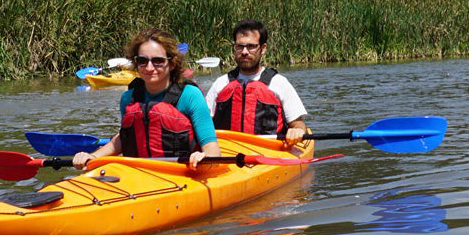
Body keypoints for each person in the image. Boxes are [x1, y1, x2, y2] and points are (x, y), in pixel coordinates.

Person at [72, 28, 221, 170]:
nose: (149, 68)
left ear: (172, 64)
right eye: (142, 61)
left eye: (158, 61)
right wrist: (93, 156)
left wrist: (202, 157)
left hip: (182, 174)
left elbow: (212, 151)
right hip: (139, 173)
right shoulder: (128, 98)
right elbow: (126, 137)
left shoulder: (190, 96)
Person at [205, 20, 309, 146]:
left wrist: (296, 131)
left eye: (251, 46)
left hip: (268, 151)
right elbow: (204, 125)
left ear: (263, 48)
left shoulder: (279, 83)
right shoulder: (221, 84)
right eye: (240, 46)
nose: (244, 51)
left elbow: (298, 124)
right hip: (228, 152)